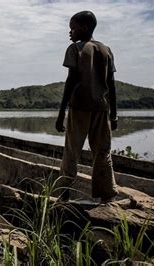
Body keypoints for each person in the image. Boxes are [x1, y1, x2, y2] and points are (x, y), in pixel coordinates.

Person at [55, 10, 118, 204]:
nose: (70, 33)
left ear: (84, 28)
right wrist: (114, 115)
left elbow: (71, 81)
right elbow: (111, 84)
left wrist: (60, 113)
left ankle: (64, 194)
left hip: (79, 108)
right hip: (102, 109)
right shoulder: (106, 50)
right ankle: (107, 195)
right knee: (103, 153)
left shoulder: (75, 49)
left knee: (71, 152)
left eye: (73, 28)